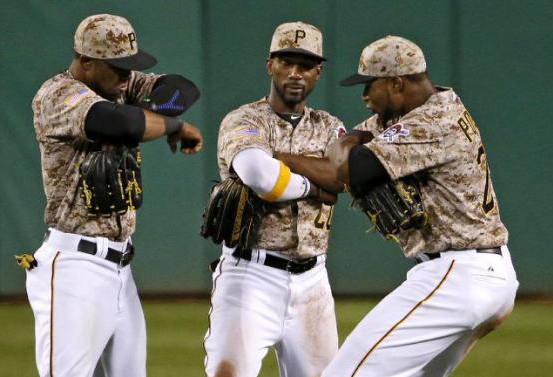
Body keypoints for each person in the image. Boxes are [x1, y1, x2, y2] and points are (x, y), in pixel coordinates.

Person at [322, 35, 519, 376]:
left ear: (397, 82)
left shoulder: (432, 122)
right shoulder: (429, 109)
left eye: (370, 85)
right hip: (483, 274)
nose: (364, 95)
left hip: (457, 276)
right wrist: (348, 143)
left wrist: (346, 144)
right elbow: (347, 148)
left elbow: (347, 169)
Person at [25, 14, 203, 377]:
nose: (127, 76)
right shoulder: (57, 94)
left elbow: (181, 89)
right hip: (74, 265)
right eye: (118, 67)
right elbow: (120, 123)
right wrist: (173, 126)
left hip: (121, 268)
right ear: (86, 62)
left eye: (131, 67)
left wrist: (151, 115)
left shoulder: (119, 85)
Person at [203, 21, 346, 377]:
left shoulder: (329, 126)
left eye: (306, 65)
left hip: (314, 281)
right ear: (270, 65)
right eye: (287, 62)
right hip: (250, 277)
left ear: (318, 72)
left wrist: (281, 157)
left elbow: (342, 178)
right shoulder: (245, 120)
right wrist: (315, 185)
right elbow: (260, 176)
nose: (296, 73)